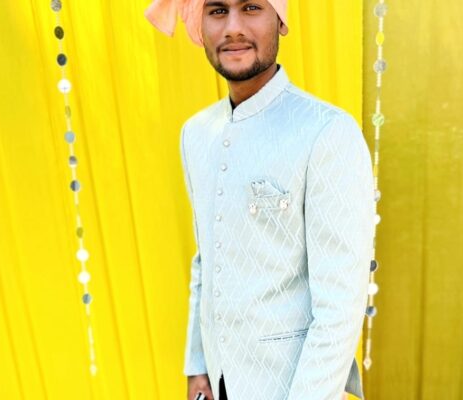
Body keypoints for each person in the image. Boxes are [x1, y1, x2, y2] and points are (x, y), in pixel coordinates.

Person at [145, 1, 376, 399]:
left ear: (280, 21)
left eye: (251, 7)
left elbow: (341, 304)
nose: (233, 27)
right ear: (201, 25)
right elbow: (206, 260)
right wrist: (198, 366)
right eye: (218, 11)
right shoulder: (196, 134)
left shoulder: (327, 132)